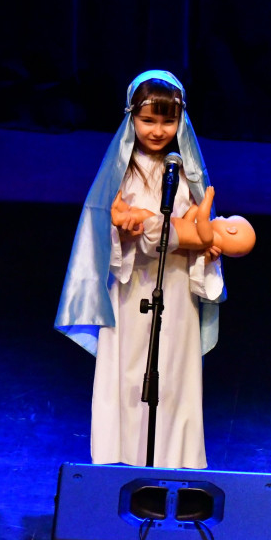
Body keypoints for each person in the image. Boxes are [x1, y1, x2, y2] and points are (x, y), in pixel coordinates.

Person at [55, 70, 225, 468]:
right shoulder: (120, 172)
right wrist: (147, 229)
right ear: (131, 118)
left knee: (173, 373)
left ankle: (172, 463)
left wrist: (182, 236)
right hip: (131, 289)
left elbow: (205, 230)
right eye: (148, 120)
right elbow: (106, 228)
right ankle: (123, 461)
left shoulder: (186, 172)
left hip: (178, 287)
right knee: (130, 372)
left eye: (168, 121)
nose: (158, 130)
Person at [111, 186, 257, 257]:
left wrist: (208, 199)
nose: (219, 217)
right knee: (141, 214)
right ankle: (122, 208)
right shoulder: (200, 242)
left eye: (225, 219)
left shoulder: (209, 238)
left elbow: (201, 218)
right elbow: (188, 222)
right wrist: (193, 209)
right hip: (169, 233)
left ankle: (118, 217)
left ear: (231, 230)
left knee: (143, 214)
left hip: (167, 233)